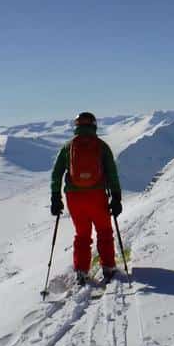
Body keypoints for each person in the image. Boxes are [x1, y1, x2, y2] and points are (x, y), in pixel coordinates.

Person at [50, 112, 122, 285]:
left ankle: (81, 271)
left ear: (77, 126)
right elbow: (112, 173)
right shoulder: (101, 146)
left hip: (74, 197)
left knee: (82, 234)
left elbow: (57, 173)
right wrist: (116, 197)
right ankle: (109, 267)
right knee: (104, 231)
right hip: (97, 195)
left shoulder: (68, 147)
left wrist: (55, 197)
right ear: (94, 125)